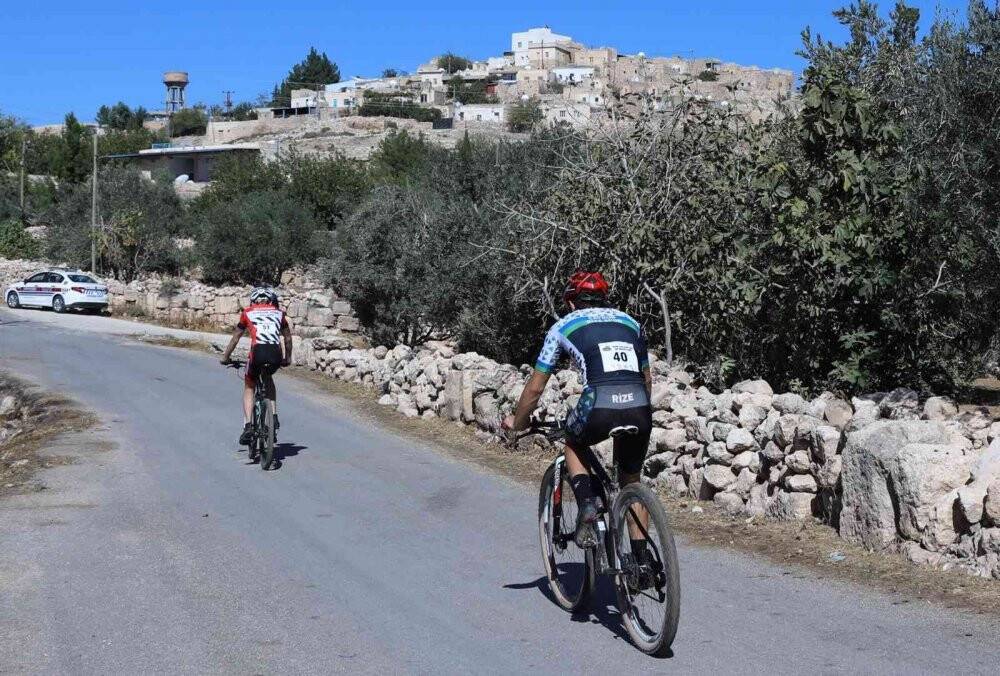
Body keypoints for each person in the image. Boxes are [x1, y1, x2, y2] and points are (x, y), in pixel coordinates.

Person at [502, 271, 653, 554]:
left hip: (598, 403)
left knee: (573, 442)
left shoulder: (562, 326)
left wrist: (518, 424)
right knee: (631, 481)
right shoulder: (631, 323)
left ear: (571, 302)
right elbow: (646, 380)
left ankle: (587, 504)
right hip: (640, 404)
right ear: (604, 300)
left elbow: (535, 389)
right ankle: (642, 563)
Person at [219, 287, 293, 446]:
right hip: (275, 354)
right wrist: (287, 358)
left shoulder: (247, 312)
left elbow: (236, 338)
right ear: (271, 300)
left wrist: (225, 357)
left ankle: (248, 426)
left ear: (253, 301)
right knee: (268, 378)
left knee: (249, 385)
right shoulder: (279, 313)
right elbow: (287, 338)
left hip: (257, 353)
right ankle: (274, 416)